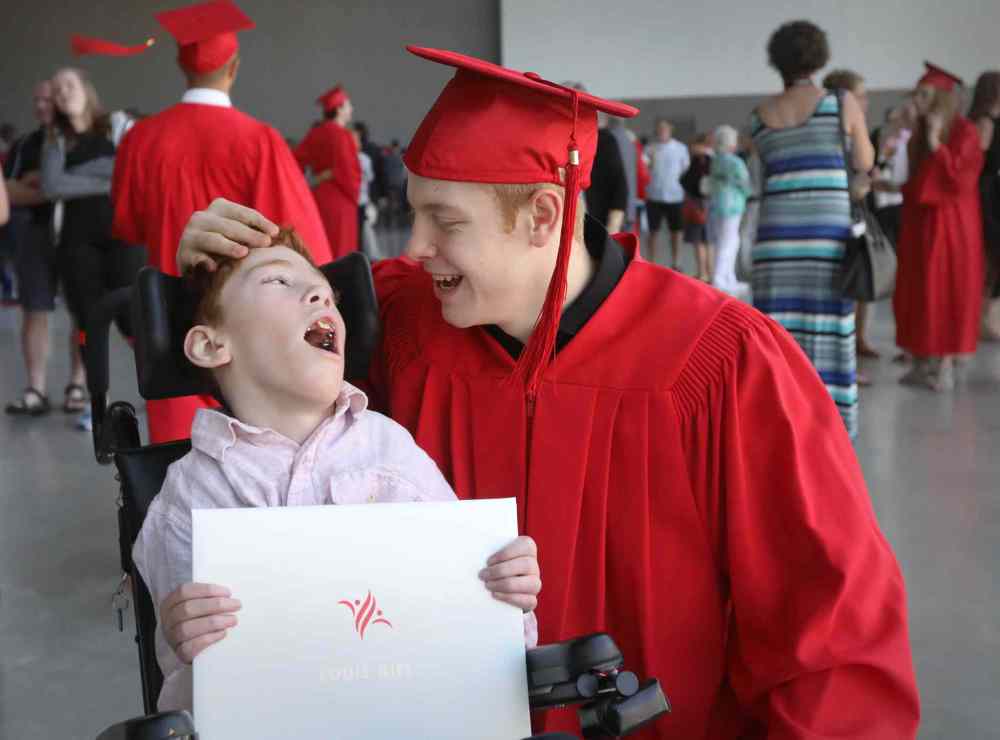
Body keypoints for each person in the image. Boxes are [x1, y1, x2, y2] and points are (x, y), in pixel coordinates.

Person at [176, 45, 920, 739]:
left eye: (445, 220)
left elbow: (830, 638)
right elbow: (264, 413)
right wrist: (215, 281)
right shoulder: (398, 320)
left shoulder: (723, 362)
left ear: (542, 216)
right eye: (414, 210)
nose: (413, 247)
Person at [133, 227, 541, 711]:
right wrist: (185, 636)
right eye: (277, 282)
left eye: (327, 294)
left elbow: (488, 635)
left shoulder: (389, 450)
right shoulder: (190, 496)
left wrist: (507, 594)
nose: (317, 294)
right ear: (210, 345)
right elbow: (191, 691)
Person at [111, 0, 332, 444]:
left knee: (175, 455)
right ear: (233, 66)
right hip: (246, 329)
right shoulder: (259, 140)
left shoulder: (141, 138)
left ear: (180, 62)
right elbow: (304, 246)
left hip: (169, 319)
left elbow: (129, 226)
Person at [751, 21, 874, 438]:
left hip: (776, 241)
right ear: (819, 58)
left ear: (777, 61)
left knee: (779, 331)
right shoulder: (840, 103)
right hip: (827, 236)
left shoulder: (758, 117)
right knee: (829, 325)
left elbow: (762, 176)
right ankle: (831, 426)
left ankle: (782, 420)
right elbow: (864, 162)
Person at [42, 66, 147, 431]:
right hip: (77, 242)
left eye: (68, 85)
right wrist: (107, 179)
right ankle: (95, 403)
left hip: (123, 237)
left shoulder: (116, 125)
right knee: (87, 321)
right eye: (56, 90)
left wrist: (83, 177)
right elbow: (53, 184)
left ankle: (158, 390)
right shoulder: (56, 138)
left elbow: (129, 170)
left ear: (86, 89)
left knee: (135, 316)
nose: (62, 93)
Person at [895, 63, 985, 390]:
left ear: (941, 100)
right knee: (917, 291)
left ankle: (943, 362)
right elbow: (917, 183)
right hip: (921, 223)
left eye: (925, 94)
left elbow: (959, 181)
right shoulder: (918, 132)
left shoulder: (965, 132)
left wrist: (936, 144)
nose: (918, 100)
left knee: (945, 291)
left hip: (952, 226)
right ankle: (921, 360)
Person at [3, 81, 84, 417]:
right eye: (35, 99)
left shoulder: (83, 140)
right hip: (34, 237)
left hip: (78, 236)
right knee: (34, 311)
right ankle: (35, 389)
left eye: (46, 99)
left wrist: (43, 182)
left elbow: (91, 188)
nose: (39, 106)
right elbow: (8, 192)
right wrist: (52, 185)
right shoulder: (26, 144)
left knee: (84, 313)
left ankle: (78, 385)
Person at [823, 69, 880, 363]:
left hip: (857, 213)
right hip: (839, 215)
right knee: (847, 284)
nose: (865, 103)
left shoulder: (855, 130)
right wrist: (853, 189)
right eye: (860, 96)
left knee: (861, 281)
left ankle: (859, 340)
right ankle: (847, 353)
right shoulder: (832, 133)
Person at [294, 85, 361, 257]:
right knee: (341, 250)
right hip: (341, 199)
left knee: (322, 249)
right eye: (348, 105)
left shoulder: (314, 133)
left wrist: (311, 182)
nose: (351, 109)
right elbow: (349, 172)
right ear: (339, 109)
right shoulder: (343, 135)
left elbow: (294, 162)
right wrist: (355, 195)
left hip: (319, 197)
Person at [967, 70, 1000, 340]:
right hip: (986, 193)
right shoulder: (984, 122)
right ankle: (981, 318)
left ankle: (986, 317)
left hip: (991, 191)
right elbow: (979, 162)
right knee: (989, 256)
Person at [707, 124, 751, 297]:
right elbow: (745, 183)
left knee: (723, 241)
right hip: (732, 205)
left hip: (717, 204)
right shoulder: (734, 161)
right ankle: (721, 278)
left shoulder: (716, 160)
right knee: (730, 242)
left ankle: (727, 277)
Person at [645, 119, 689, 268]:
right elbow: (644, 168)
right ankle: (652, 262)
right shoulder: (650, 148)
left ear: (670, 130)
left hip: (675, 195)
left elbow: (685, 169)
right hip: (654, 195)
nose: (662, 132)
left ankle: (676, 262)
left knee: (676, 231)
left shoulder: (680, 148)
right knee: (653, 231)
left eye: (664, 129)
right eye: (659, 129)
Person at [680, 133, 713, 282]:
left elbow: (686, 180)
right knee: (708, 241)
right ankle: (709, 272)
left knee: (699, 241)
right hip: (709, 204)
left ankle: (703, 273)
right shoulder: (713, 161)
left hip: (697, 204)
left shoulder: (699, 162)